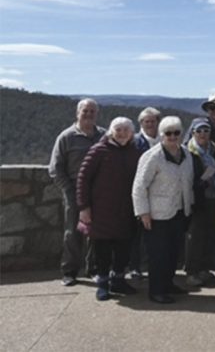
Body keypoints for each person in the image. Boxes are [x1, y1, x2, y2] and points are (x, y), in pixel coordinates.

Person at [76, 117, 141, 300]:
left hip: (126, 210)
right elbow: (83, 179)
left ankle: (118, 281)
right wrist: (84, 207)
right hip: (101, 211)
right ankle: (103, 284)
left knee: (123, 249)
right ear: (111, 132)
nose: (122, 134)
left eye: (126, 130)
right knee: (102, 250)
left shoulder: (134, 153)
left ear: (131, 133)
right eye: (118, 130)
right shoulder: (98, 150)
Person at [132, 116, 194, 304]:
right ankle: (156, 290)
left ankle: (168, 284)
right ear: (161, 135)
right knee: (158, 254)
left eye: (176, 132)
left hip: (178, 211)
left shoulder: (186, 154)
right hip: (156, 215)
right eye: (168, 133)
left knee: (173, 252)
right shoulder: (152, 157)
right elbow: (139, 186)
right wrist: (143, 213)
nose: (173, 136)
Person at [49, 98, 106, 286]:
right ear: (77, 113)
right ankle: (69, 271)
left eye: (92, 111)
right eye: (85, 111)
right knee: (72, 232)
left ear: (97, 114)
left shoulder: (104, 136)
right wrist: (68, 190)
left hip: (98, 191)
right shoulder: (66, 137)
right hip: (73, 190)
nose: (89, 114)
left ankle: (94, 269)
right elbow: (55, 169)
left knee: (96, 232)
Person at [184, 119, 215, 287]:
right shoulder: (188, 152)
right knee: (195, 235)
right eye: (199, 131)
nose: (203, 134)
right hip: (197, 198)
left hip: (214, 198)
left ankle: (204, 269)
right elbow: (185, 177)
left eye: (206, 131)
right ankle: (192, 271)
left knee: (210, 233)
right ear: (193, 133)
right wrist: (201, 181)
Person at [129, 107, 161, 279]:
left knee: (156, 233)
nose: (149, 124)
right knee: (137, 233)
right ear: (140, 123)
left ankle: (153, 265)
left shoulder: (165, 140)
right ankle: (135, 266)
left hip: (160, 195)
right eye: (146, 121)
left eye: (153, 121)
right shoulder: (134, 142)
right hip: (140, 193)